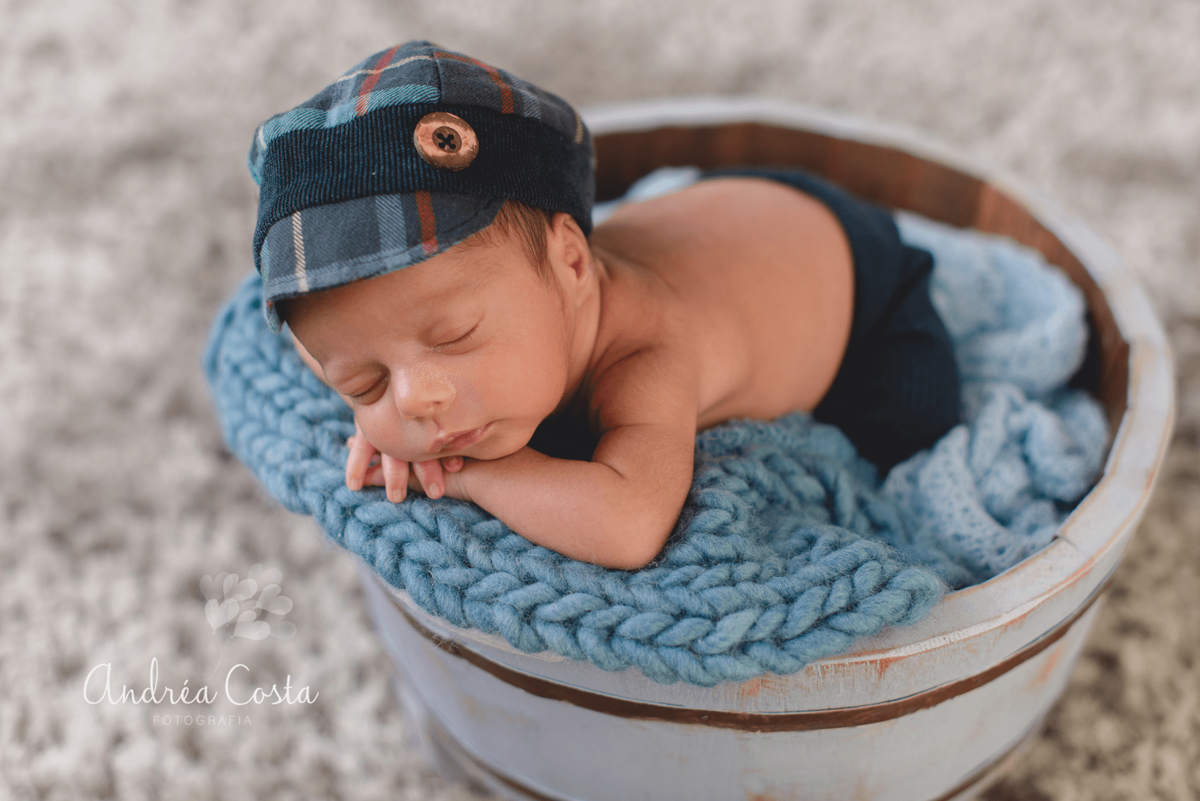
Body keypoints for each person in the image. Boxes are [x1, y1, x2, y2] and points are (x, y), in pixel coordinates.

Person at [250, 41, 960, 570]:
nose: (415, 399)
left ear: (573, 263)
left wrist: (476, 474)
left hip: (862, 283)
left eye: (455, 335)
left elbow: (629, 526)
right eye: (362, 383)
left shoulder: (646, 355)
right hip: (727, 220)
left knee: (911, 417)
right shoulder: (521, 299)